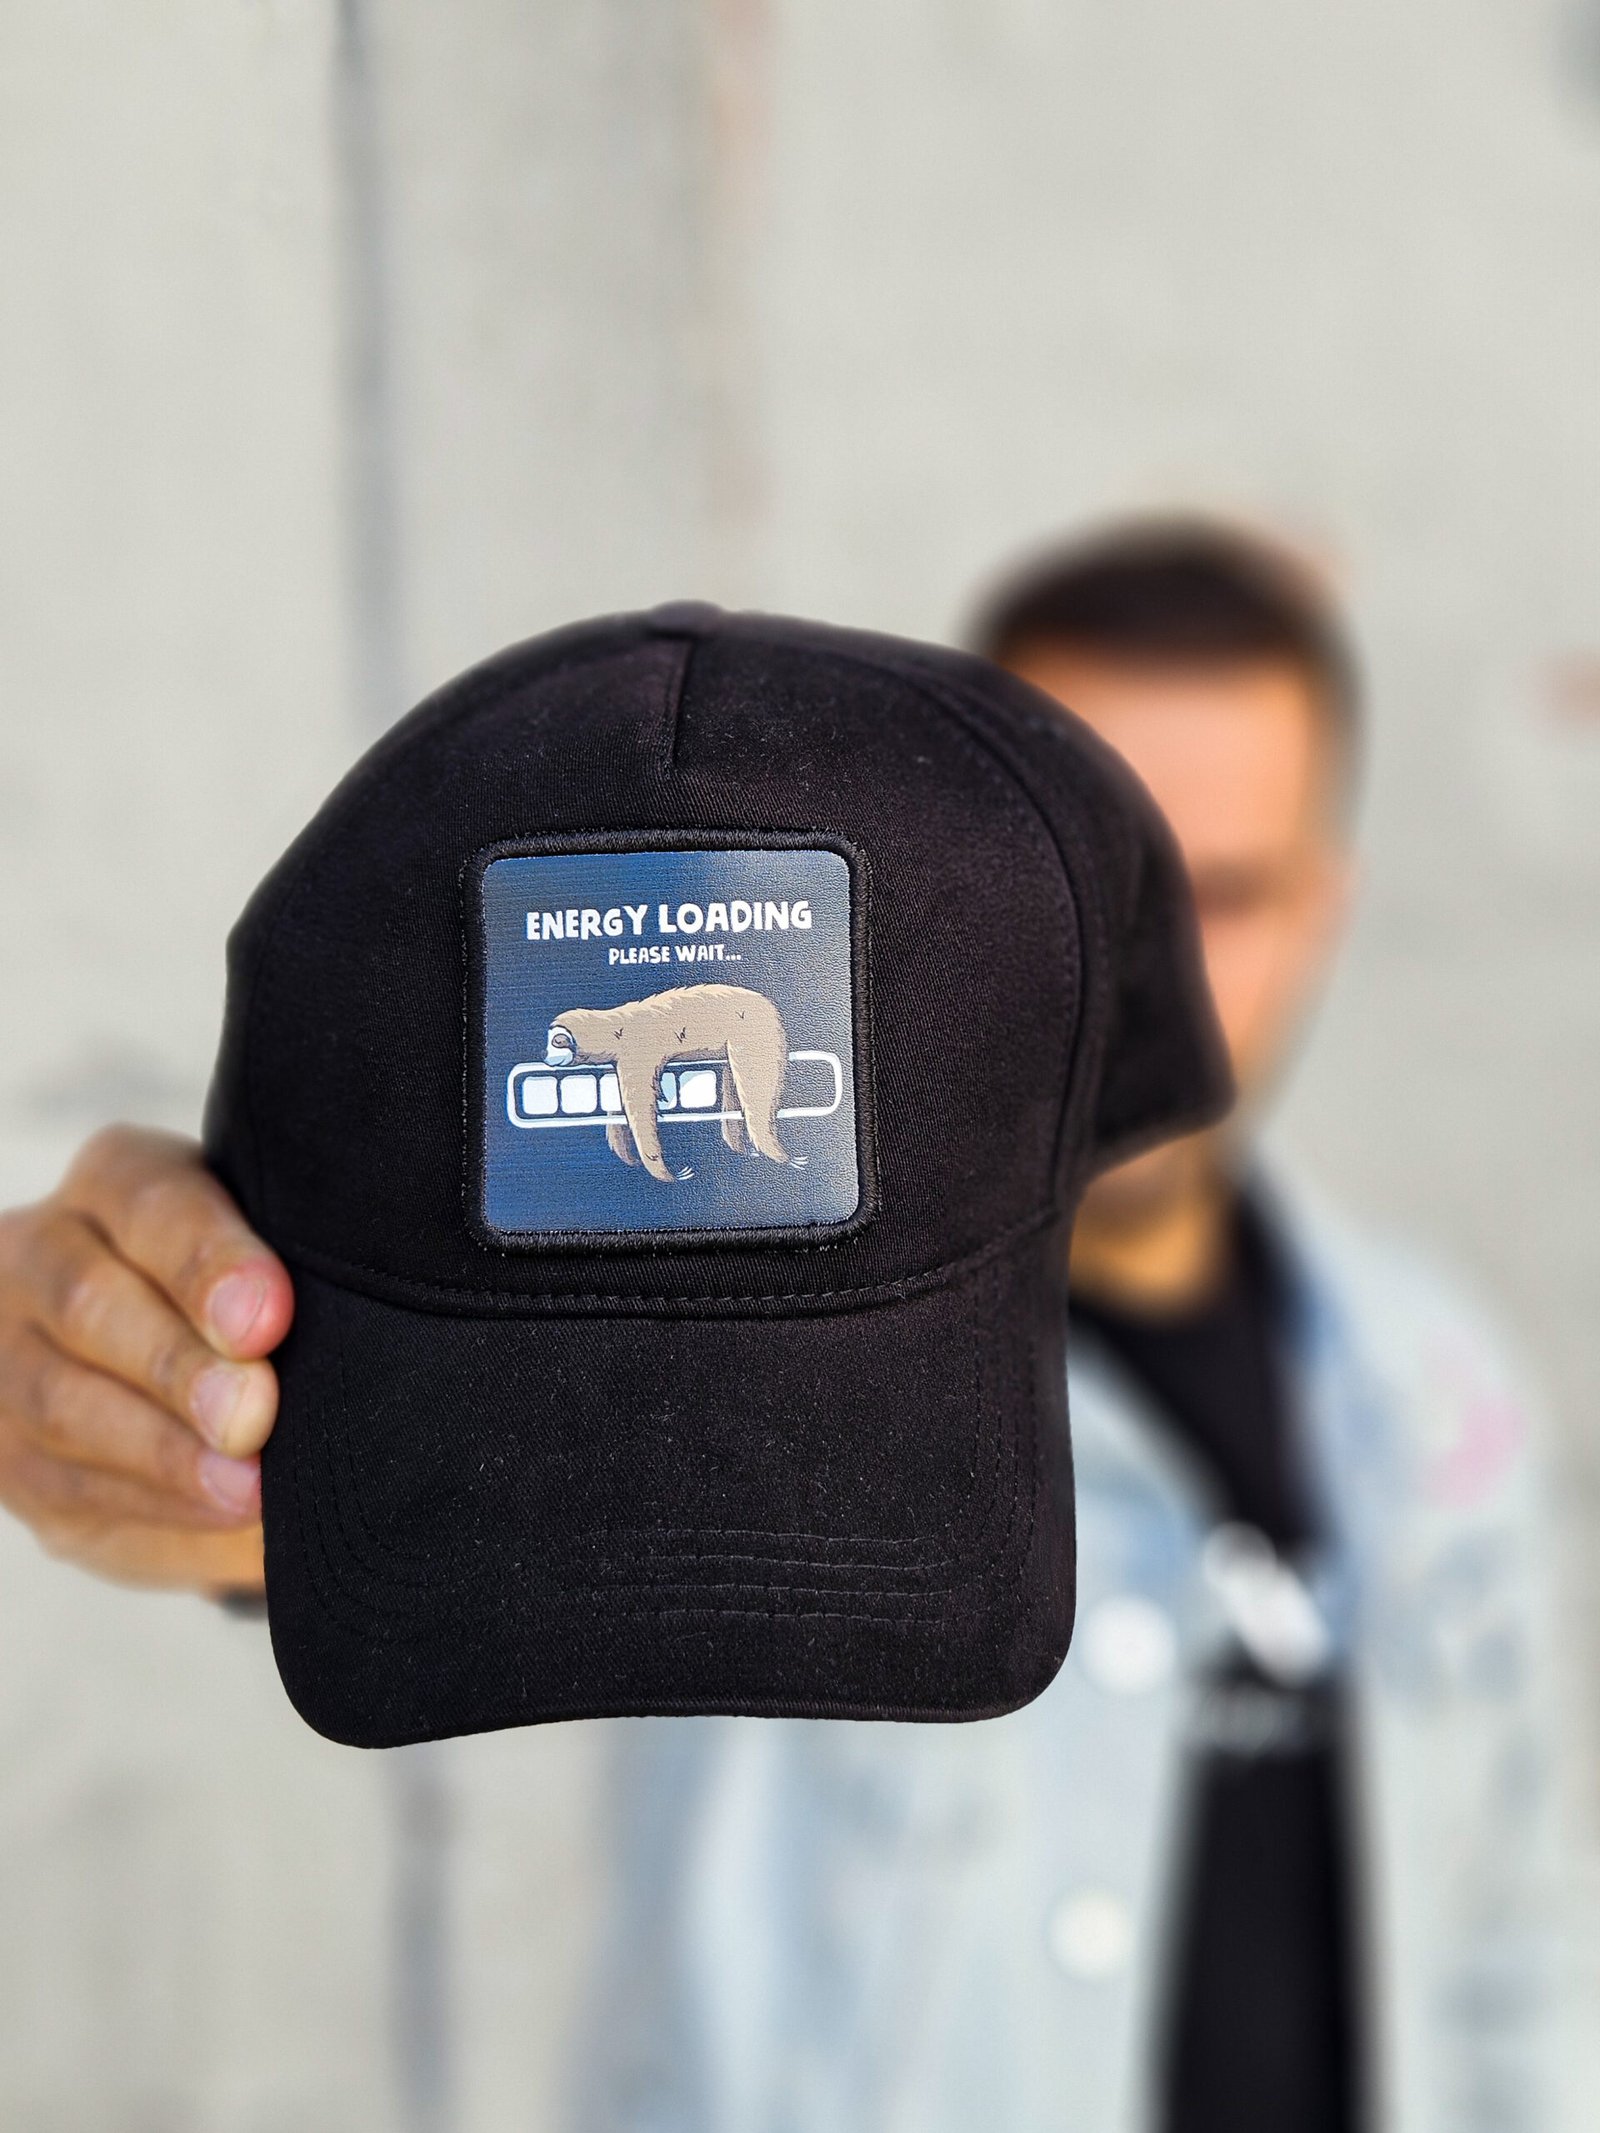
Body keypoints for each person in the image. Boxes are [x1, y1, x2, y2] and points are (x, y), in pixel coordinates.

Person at [0, 521, 1570, 2132]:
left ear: (1324, 905)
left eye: (1218, 890)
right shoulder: (734, 1311)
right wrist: (148, 1410)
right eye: (1092, 874)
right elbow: (406, 1487)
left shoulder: (1433, 1383)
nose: (1136, 956)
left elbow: (1515, 1942)